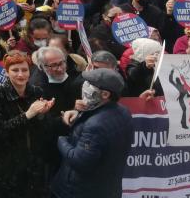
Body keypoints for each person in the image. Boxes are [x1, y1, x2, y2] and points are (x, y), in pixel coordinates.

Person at [0, 51, 54, 198]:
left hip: (31, 161)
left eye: (24, 70)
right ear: (6, 72)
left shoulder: (36, 91)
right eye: (15, 70)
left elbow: (42, 129)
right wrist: (28, 114)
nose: (20, 75)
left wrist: (43, 114)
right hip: (5, 163)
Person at [51, 68, 133, 198]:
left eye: (90, 84)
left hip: (80, 190)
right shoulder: (123, 111)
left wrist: (61, 140)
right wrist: (78, 114)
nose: (84, 86)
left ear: (105, 94)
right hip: (107, 187)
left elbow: (79, 161)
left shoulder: (96, 126)